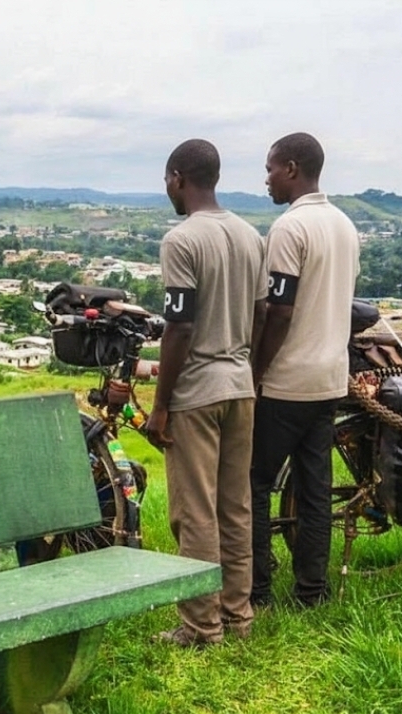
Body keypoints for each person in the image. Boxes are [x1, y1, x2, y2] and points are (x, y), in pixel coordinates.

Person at [145, 139, 267, 647]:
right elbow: (262, 313)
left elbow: (178, 327)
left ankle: (200, 626)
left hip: (196, 392)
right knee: (234, 508)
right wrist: (247, 369)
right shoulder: (249, 234)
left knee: (194, 513)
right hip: (241, 387)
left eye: (166, 181)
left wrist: (160, 404)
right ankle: (237, 617)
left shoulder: (182, 240)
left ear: (178, 177)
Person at [250, 132, 360, 608]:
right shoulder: (343, 225)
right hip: (329, 379)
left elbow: (279, 311)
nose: (267, 178)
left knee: (253, 485)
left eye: (271, 168)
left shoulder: (289, 229)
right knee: (315, 492)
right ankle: (312, 592)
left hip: (286, 382)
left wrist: (255, 369)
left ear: (292, 168)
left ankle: (257, 590)